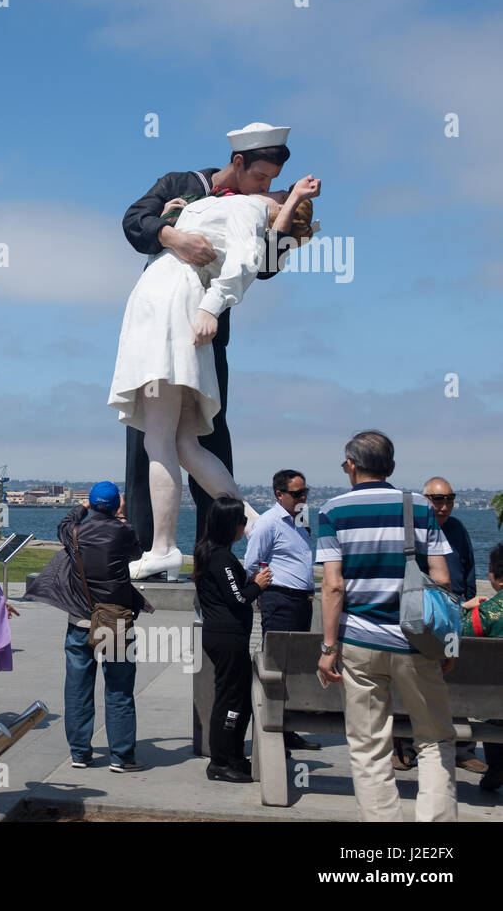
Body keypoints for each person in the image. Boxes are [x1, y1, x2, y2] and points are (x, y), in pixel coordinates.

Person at [120, 122, 319, 558]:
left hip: (206, 336)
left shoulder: (253, 207)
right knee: (149, 448)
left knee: (206, 439)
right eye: (261, 178)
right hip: (163, 328)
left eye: (272, 183)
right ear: (237, 162)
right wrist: (174, 235)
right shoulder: (182, 183)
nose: (266, 187)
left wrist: (288, 218)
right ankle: (146, 547)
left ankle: (215, 552)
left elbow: (263, 266)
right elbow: (134, 221)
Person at [316, 431, 457, 822]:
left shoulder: (332, 511)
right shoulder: (421, 508)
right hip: (414, 642)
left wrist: (329, 649)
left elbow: (333, 585)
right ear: (391, 468)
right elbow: (443, 580)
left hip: (359, 642)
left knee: (368, 746)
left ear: (350, 465)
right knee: (434, 739)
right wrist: (446, 644)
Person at [59, 482, 155, 772]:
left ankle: (79, 753)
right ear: (116, 506)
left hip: (79, 619)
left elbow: (65, 522)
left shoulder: (74, 532)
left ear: (90, 503)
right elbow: (138, 553)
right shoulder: (123, 532)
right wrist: (121, 517)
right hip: (114, 620)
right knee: (119, 688)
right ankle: (121, 756)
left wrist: (84, 507)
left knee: (77, 688)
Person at [243, 468, 321, 752]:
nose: (303, 497)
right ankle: (271, 731)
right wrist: (260, 592)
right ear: (279, 494)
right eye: (297, 493)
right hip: (281, 599)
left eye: (305, 492)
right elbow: (251, 563)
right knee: (276, 667)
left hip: (302, 600)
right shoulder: (268, 523)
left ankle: (288, 729)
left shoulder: (300, 518)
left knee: (296, 668)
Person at [195, 495, 272, 782]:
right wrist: (258, 586)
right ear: (231, 525)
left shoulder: (212, 553)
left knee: (238, 697)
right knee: (230, 699)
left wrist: (250, 583)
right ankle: (219, 761)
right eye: (242, 521)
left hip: (225, 635)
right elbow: (238, 598)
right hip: (226, 637)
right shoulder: (221, 557)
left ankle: (233, 755)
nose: (244, 526)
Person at [419, 476, 484, 775]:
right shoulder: (416, 530)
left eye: (449, 498)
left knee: (457, 678)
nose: (443, 505)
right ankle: (405, 748)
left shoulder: (457, 529)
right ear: (425, 499)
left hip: (456, 617)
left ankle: (463, 750)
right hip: (423, 618)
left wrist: (466, 607)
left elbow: (468, 569)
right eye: (437, 499)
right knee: (415, 681)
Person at [462, 544, 503, 791]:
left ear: (494, 576)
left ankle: (497, 768)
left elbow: (452, 640)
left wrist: (463, 609)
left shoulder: (486, 613)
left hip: (494, 704)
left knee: (493, 707)